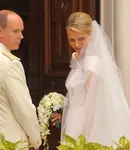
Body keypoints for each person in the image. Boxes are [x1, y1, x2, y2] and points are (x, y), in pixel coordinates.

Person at [51, 12, 130, 146]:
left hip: (86, 123)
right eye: (72, 40)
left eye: (82, 38)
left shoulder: (91, 62)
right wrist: (64, 113)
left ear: (91, 35)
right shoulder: (79, 59)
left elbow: (92, 101)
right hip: (75, 119)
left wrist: (86, 135)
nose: (77, 44)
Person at [0, 10, 41, 149]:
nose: (21, 36)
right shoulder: (11, 63)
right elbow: (24, 109)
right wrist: (36, 138)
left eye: (21, 31)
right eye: (15, 31)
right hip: (9, 142)